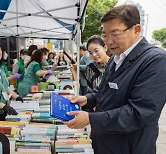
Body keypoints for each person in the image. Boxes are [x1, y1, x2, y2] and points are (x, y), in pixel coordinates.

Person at [64, 4, 166, 154]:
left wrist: (91, 119)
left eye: (115, 33)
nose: (109, 41)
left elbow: (139, 112)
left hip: (128, 147)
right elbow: (104, 90)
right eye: (105, 35)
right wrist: (87, 99)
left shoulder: (155, 60)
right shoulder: (115, 58)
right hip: (105, 142)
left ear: (136, 29)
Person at [0, 38, 23, 135]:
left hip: (3, 113)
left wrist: (16, 96)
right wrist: (3, 106)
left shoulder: (1, 68)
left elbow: (5, 87)